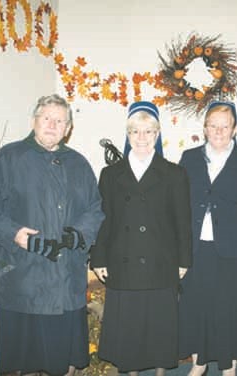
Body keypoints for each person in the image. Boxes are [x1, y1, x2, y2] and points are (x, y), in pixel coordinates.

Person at [0, 94, 104, 376]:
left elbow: (96, 208)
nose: (52, 125)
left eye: (60, 121)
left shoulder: (79, 164)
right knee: (22, 360)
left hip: (65, 278)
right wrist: (15, 233)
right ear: (35, 121)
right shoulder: (10, 157)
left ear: (68, 128)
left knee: (64, 359)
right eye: (47, 118)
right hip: (24, 278)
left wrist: (79, 234)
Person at [90, 101, 192, 376]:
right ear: (128, 135)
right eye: (135, 131)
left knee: (160, 321)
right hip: (122, 259)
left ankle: (160, 371)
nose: (142, 138)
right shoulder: (110, 174)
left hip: (161, 259)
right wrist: (98, 258)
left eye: (148, 132)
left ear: (158, 135)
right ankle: (131, 371)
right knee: (129, 323)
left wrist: (184, 260)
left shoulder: (174, 173)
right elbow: (103, 219)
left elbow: (183, 221)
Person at [178, 101, 237, 376]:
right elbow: (178, 204)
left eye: (225, 126)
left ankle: (228, 365)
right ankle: (199, 361)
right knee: (197, 304)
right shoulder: (189, 158)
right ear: (205, 128)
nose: (219, 131)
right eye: (213, 125)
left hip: (235, 248)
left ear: (234, 129)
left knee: (230, 306)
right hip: (197, 247)